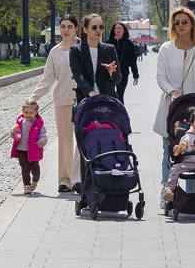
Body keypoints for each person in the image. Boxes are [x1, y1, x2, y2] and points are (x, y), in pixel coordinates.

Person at [154, 7, 195, 197]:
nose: (180, 25)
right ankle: (167, 192)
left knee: (193, 152)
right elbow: (160, 76)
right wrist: (172, 91)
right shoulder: (166, 48)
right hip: (171, 106)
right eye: (176, 22)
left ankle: (190, 195)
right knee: (168, 151)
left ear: (192, 24)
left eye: (184, 22)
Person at [31, 15, 82, 193]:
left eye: (69, 26)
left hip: (83, 100)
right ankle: (64, 180)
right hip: (62, 100)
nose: (66, 30)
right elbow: (47, 78)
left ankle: (79, 178)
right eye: (63, 27)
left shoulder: (83, 48)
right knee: (65, 141)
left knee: (83, 140)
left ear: (76, 28)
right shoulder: (55, 52)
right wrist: (33, 98)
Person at [68, 13, 120, 103]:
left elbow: (118, 79)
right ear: (85, 29)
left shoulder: (109, 49)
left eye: (101, 27)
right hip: (86, 100)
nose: (98, 30)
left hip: (107, 100)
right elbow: (78, 74)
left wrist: (112, 72)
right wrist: (90, 92)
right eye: (94, 27)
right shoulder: (76, 50)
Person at [10, 98, 48, 195]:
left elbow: (44, 134)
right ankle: (26, 185)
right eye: (26, 112)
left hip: (33, 150)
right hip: (21, 150)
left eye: (31, 112)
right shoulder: (20, 122)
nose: (28, 114)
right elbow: (16, 135)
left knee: (35, 168)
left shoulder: (38, 123)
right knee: (25, 168)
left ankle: (35, 180)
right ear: (23, 112)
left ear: (35, 112)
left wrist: (42, 141)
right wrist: (13, 133)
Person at [106, 21, 139, 104]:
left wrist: (135, 75)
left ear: (124, 31)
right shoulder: (107, 43)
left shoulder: (129, 43)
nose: (118, 30)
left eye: (120, 28)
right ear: (113, 30)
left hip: (123, 73)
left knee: (120, 95)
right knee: (110, 95)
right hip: (109, 73)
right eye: (116, 28)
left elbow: (133, 61)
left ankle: (120, 115)